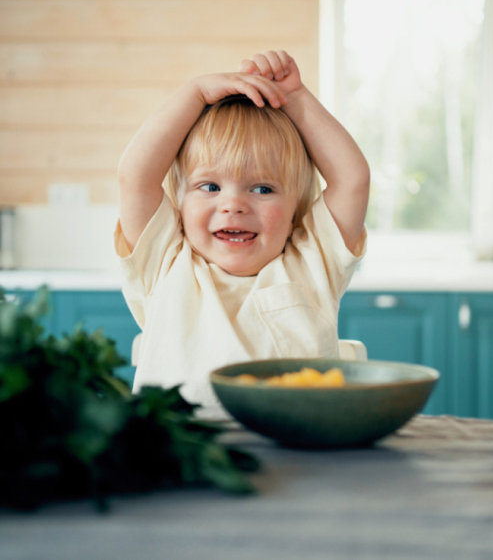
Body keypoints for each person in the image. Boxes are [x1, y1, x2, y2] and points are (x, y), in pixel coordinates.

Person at [114, 50, 370, 412]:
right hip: (180, 462)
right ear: (181, 202)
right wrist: (195, 93)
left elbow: (352, 179)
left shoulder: (314, 264)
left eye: (262, 189)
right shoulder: (165, 264)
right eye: (210, 187)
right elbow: (135, 176)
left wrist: (294, 98)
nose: (233, 205)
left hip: (296, 458)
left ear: (295, 207)